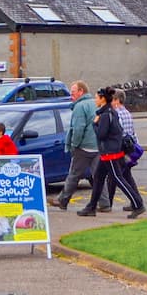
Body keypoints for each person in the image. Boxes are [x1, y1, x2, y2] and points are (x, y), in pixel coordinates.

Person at [77, 87, 145, 218]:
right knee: (98, 178)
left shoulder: (105, 115)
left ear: (102, 99)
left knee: (118, 179)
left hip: (110, 153)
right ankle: (91, 207)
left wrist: (95, 124)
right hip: (108, 152)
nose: (95, 100)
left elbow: (101, 135)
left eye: (96, 97)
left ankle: (138, 204)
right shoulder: (110, 112)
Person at [52, 80, 99, 210]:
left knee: (73, 174)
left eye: (73, 92)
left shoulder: (80, 106)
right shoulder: (95, 103)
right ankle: (104, 203)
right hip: (97, 146)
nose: (71, 95)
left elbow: (78, 128)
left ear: (81, 92)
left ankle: (62, 200)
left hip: (83, 147)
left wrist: (74, 145)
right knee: (98, 176)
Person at [102, 89, 141, 211]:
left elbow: (118, 133)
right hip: (129, 149)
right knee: (121, 176)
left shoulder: (116, 114)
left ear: (117, 100)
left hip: (119, 150)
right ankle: (135, 202)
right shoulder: (127, 113)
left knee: (116, 177)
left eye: (112, 100)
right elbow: (132, 133)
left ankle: (136, 203)